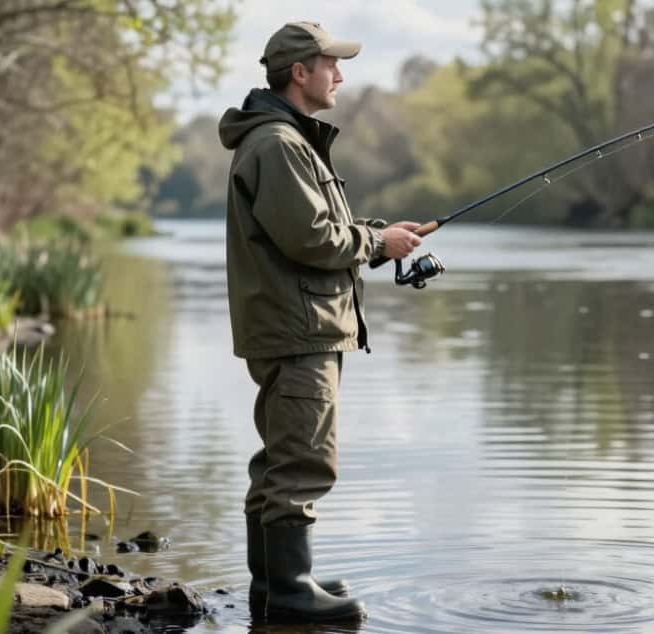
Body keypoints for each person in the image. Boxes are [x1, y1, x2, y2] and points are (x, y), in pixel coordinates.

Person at [218, 21, 422, 623]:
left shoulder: (283, 141)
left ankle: (275, 584)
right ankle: (289, 592)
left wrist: (380, 239)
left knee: (282, 456)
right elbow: (311, 237)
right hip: (299, 328)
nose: (341, 74)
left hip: (292, 324)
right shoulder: (279, 144)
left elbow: (318, 234)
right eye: (330, 63)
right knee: (306, 459)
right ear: (299, 72)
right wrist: (375, 242)